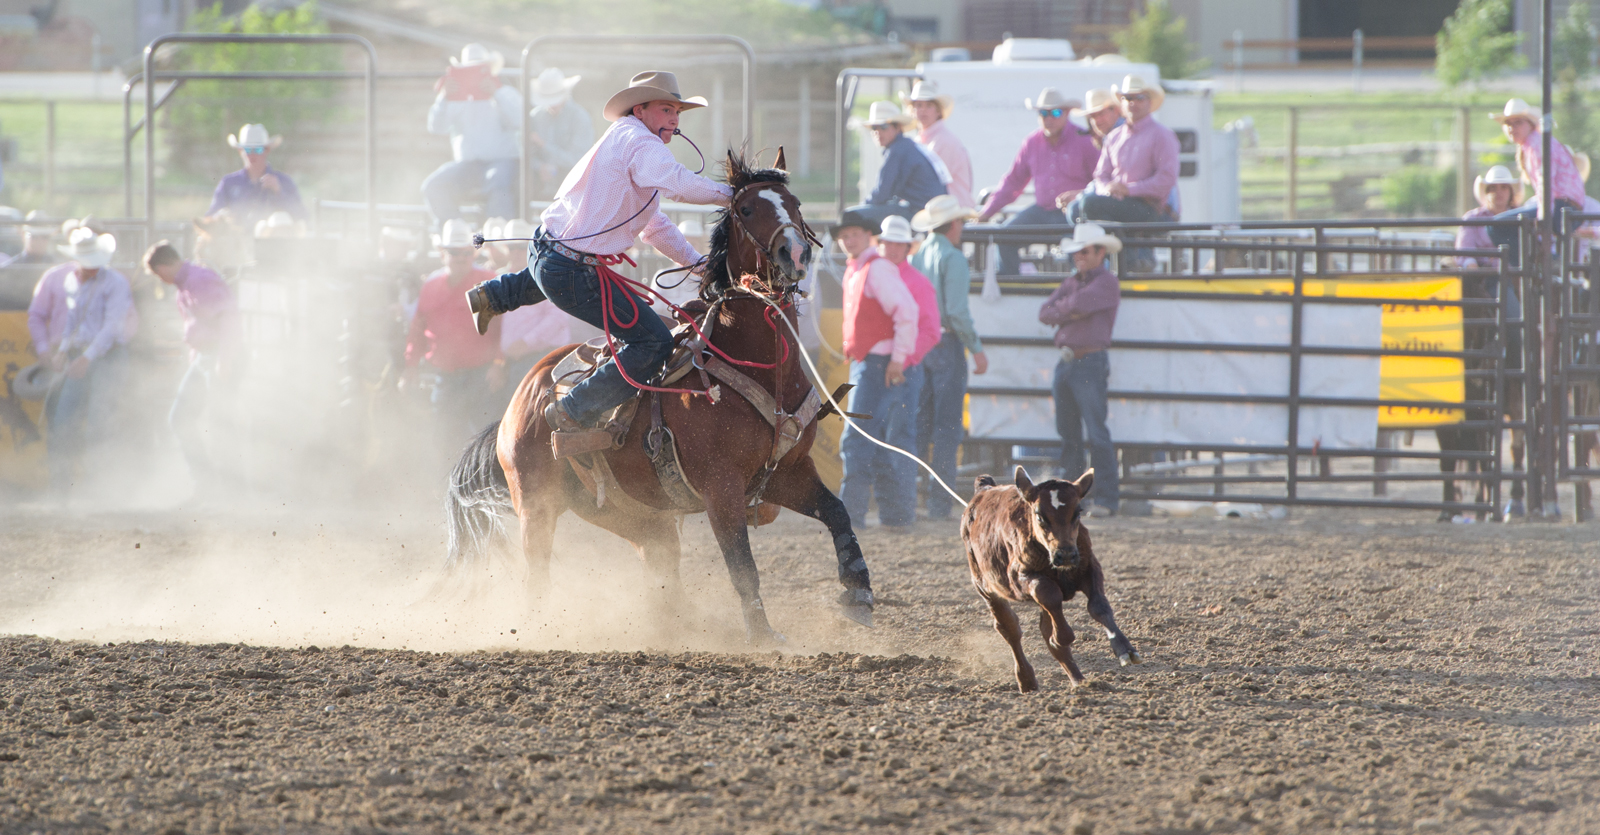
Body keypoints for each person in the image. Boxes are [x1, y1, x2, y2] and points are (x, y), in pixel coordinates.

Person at [465, 71, 733, 434]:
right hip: (572, 270)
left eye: (678, 112)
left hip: (548, 253)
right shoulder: (642, 145)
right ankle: (574, 410)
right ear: (640, 110)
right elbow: (680, 185)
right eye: (667, 109)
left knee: (550, 276)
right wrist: (735, 195)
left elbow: (654, 225)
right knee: (653, 342)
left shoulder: (626, 138)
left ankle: (491, 296)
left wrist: (698, 264)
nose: (675, 118)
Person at [838, 213, 940, 529]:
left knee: (870, 438)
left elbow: (919, 322)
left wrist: (901, 359)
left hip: (885, 365)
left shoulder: (875, 271)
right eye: (846, 236)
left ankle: (855, 513)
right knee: (882, 439)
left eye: (855, 234)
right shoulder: (863, 270)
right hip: (879, 363)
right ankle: (895, 513)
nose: (892, 248)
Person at [908, 195, 987, 521]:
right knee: (947, 428)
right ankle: (940, 504)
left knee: (920, 425)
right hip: (947, 344)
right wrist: (977, 348)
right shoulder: (952, 258)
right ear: (954, 224)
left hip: (922, 344)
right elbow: (956, 312)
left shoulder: (918, 256)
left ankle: (913, 498)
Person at [1038, 223, 1123, 517]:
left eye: (1084, 251)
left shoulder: (1106, 283)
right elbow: (1045, 312)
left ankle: (1107, 499)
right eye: (1076, 252)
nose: (1078, 256)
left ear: (1100, 252)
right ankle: (1078, 500)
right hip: (1070, 362)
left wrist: (1066, 309)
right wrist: (1072, 309)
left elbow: (1056, 310)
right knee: (1070, 433)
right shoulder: (1081, 282)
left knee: (1094, 433)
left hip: (1086, 361)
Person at [143, 241, 240, 496]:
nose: (160, 279)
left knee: (217, 423)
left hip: (216, 356)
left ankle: (223, 491)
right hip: (207, 358)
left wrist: (225, 359)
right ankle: (210, 488)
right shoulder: (188, 284)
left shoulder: (197, 281)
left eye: (158, 273)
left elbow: (228, 316)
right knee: (187, 419)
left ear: (164, 267)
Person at [44, 227, 133, 501]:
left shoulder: (115, 283)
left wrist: (85, 356)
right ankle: (62, 491)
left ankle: (99, 491)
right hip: (83, 355)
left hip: (107, 356)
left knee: (99, 423)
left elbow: (111, 327)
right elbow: (73, 322)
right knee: (62, 421)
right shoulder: (74, 281)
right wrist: (64, 350)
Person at [404, 219, 506, 446]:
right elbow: (418, 329)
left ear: (473, 253)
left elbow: (502, 327)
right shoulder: (431, 285)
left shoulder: (487, 282)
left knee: (483, 438)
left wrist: (498, 363)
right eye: (454, 252)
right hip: (446, 377)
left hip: (480, 376)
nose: (460, 258)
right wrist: (411, 365)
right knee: (443, 436)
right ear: (442, 253)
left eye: (465, 252)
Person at [976, 88, 1100, 276]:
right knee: (1004, 237)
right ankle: (1012, 288)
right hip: (1042, 211)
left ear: (1066, 113)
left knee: (1076, 245)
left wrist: (1080, 195)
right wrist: (986, 213)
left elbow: (1100, 181)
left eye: (1055, 113)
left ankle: (1078, 290)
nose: (1048, 118)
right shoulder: (1032, 142)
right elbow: (1013, 182)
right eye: (1043, 113)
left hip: (1074, 213)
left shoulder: (1085, 141)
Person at [421, 44, 525, 225]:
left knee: (497, 182)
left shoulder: (506, 93)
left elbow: (520, 121)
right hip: (468, 165)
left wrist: (496, 94)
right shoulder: (454, 99)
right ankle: (455, 234)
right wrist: (444, 97)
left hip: (504, 161)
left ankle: (499, 238)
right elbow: (436, 127)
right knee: (433, 186)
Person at [1487, 98, 1587, 266]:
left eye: (1517, 122)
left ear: (1530, 124)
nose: (1512, 128)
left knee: (1496, 225)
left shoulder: (1536, 146)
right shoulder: (1537, 143)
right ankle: (1536, 262)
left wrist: (1543, 217)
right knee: (1506, 224)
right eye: (1509, 124)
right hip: (1567, 209)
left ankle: (1531, 265)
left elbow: (1545, 183)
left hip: (1562, 208)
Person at [1072, 76, 1179, 228]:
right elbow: (1101, 175)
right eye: (1127, 98)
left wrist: (1128, 190)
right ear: (1121, 103)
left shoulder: (1162, 135)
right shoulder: (1114, 137)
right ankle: (1107, 248)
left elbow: (1166, 179)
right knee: (1078, 210)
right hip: (1121, 202)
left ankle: (1112, 248)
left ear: (1149, 102)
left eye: (1139, 98)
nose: (1133, 103)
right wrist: (1109, 189)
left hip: (1151, 207)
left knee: (1090, 205)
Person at [496, 219, 571, 396]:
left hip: (542, 357)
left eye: (520, 247)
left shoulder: (545, 275)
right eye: (511, 248)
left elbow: (558, 318)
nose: (515, 252)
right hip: (513, 360)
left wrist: (526, 342)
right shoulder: (501, 277)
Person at [844, 101, 946, 230]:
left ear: (898, 128)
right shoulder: (907, 146)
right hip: (929, 211)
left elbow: (881, 194)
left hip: (920, 212)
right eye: (875, 128)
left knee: (851, 216)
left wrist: (864, 206)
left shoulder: (897, 151)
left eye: (884, 126)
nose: (878, 132)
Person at [207, 123, 308, 228]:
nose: (252, 154)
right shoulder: (228, 183)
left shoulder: (283, 182)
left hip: (273, 243)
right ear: (240, 151)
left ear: (267, 150)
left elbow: (302, 216)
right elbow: (211, 216)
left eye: (258, 149)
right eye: (247, 149)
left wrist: (279, 191)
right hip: (236, 242)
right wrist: (222, 217)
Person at [903, 79, 974, 209]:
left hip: (953, 213)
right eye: (918, 105)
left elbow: (929, 182)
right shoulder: (921, 140)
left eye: (929, 106)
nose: (923, 110)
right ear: (912, 110)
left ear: (938, 111)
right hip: (942, 210)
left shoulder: (944, 141)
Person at [526, 67, 595, 199]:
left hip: (570, 178)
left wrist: (543, 145)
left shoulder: (580, 117)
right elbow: (525, 151)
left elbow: (577, 159)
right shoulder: (535, 116)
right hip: (538, 178)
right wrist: (539, 166)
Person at [1456, 165, 1522, 270]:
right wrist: (1472, 267)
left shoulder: (1520, 217)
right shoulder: (1472, 218)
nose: (1498, 192)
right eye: (1493, 188)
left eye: (1503, 187)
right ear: (1486, 192)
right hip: (1484, 275)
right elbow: (1465, 252)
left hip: (1514, 274)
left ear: (1511, 192)